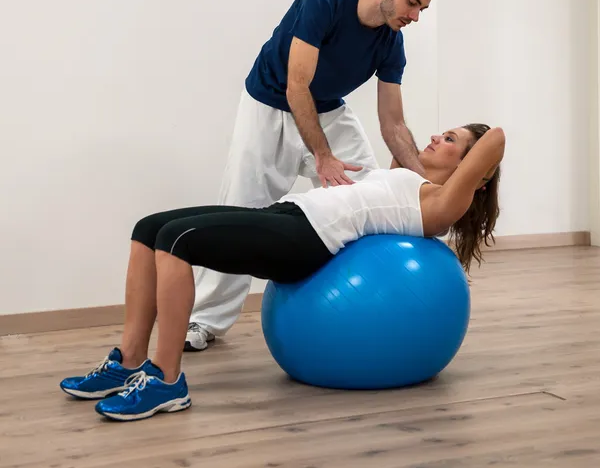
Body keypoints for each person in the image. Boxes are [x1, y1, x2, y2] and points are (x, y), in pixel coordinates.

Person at [59, 123, 505, 422]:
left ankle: (167, 380)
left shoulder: (441, 205)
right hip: (290, 214)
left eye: (449, 139)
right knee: (149, 228)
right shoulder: (405, 174)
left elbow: (497, 138)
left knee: (177, 241)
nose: (436, 137)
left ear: (474, 174)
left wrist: (475, 161)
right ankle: (129, 360)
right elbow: (398, 126)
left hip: (306, 241)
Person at [185, 0, 446, 352]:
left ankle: (369, 301)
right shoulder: (321, 4)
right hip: (268, 106)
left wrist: (427, 188)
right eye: (413, 3)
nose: (415, 16)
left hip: (328, 110)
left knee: (373, 195)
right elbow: (296, 85)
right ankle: (204, 321)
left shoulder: (391, 43)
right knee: (242, 209)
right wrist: (322, 157)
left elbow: (393, 123)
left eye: (423, 9)